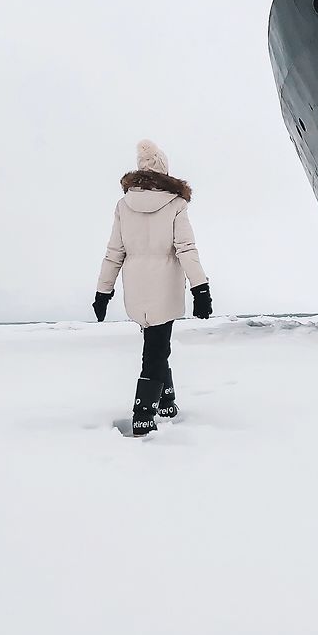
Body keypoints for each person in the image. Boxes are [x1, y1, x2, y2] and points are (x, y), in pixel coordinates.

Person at [93, 140, 212, 436]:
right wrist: (200, 289)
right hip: (165, 287)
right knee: (156, 350)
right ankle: (143, 413)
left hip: (137, 289)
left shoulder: (124, 205)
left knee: (156, 343)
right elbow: (186, 249)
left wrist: (103, 291)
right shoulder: (175, 204)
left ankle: (166, 402)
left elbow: (114, 252)